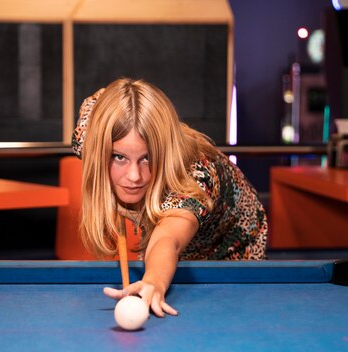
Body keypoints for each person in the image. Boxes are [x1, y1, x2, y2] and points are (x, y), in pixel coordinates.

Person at [72, 77, 267, 317]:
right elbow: (99, 100)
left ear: (163, 153)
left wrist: (154, 281)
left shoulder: (194, 176)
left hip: (231, 241)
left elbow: (168, 239)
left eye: (147, 158)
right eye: (119, 157)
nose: (134, 176)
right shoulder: (91, 133)